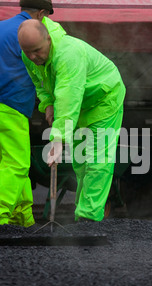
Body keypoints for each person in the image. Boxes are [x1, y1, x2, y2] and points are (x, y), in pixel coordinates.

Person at [18, 19, 126, 222]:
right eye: (27, 51)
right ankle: (83, 211)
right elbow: (40, 83)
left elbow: (68, 97)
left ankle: (89, 218)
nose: (32, 57)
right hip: (80, 104)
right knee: (81, 162)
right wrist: (48, 104)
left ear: (48, 39)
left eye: (37, 51)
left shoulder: (68, 54)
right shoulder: (30, 55)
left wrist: (58, 139)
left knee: (97, 160)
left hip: (103, 99)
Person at [0, 0, 54, 231]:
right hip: (11, 104)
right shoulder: (29, 35)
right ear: (40, 14)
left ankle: (22, 216)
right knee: (17, 164)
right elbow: (41, 69)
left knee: (7, 165)